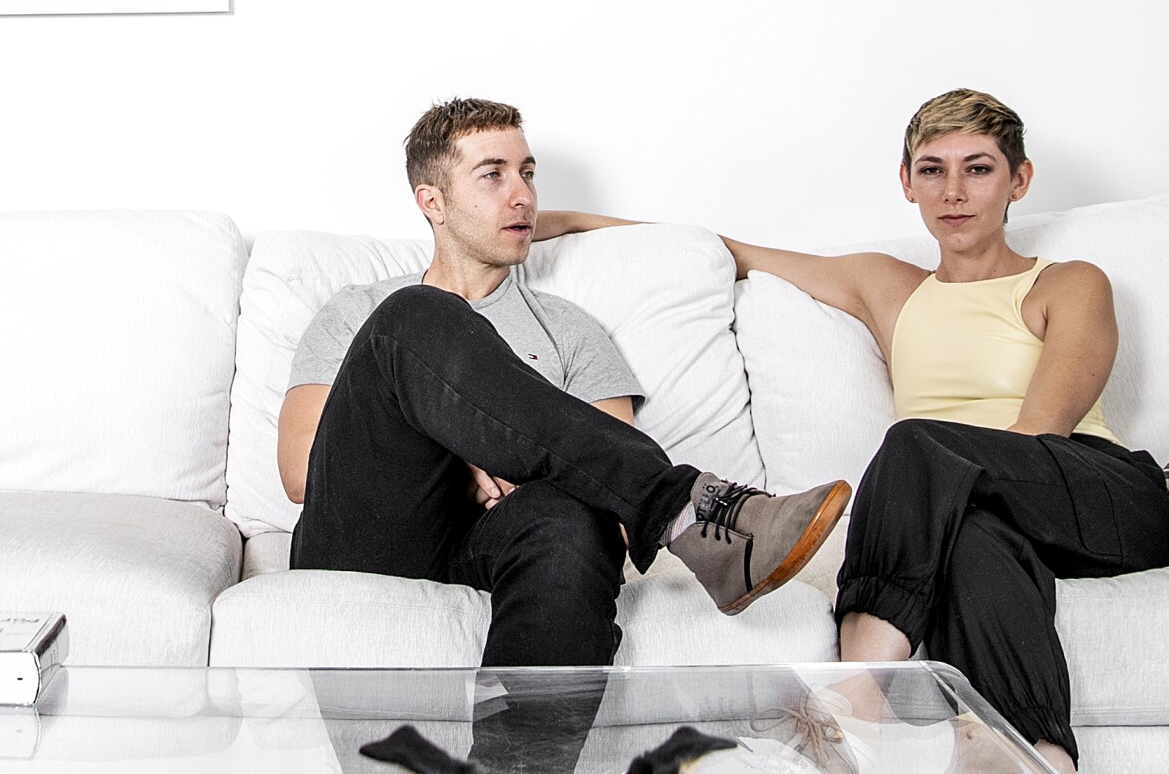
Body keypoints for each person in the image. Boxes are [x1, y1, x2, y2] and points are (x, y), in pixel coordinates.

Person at [537, 87, 1169, 774]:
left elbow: (1038, 432)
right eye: (933, 169)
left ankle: (853, 699)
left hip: (1097, 497)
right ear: (907, 184)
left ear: (1018, 180)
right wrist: (577, 218)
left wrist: (936, 482)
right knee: (971, 553)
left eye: (979, 168)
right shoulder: (891, 288)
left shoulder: (1068, 283)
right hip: (981, 516)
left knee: (917, 442)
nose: (954, 191)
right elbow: (724, 251)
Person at [281, 97, 850, 672]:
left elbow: (608, 499)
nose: (522, 195)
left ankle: (524, 761)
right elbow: (302, 474)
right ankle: (687, 510)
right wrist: (471, 446)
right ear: (433, 202)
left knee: (574, 518)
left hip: (491, 546)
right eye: (492, 175)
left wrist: (517, 454)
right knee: (415, 314)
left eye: (527, 173)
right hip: (368, 535)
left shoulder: (570, 333)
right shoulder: (366, 316)